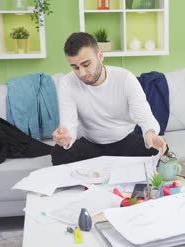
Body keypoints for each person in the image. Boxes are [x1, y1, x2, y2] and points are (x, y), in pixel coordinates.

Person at [51, 32, 167, 165]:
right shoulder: (67, 82)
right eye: (75, 67)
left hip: (124, 142)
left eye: (86, 64)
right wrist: (64, 138)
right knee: (59, 154)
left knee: (161, 150)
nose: (81, 73)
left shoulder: (125, 78)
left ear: (100, 56)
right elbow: (69, 125)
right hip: (90, 144)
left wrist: (150, 134)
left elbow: (145, 117)